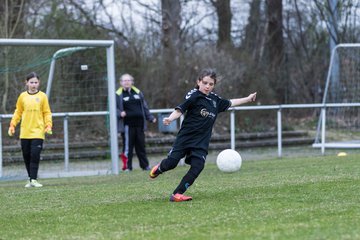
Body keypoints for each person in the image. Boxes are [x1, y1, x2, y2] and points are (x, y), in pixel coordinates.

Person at [149, 68, 257, 202]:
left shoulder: (215, 100)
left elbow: (231, 102)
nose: (207, 86)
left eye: (211, 84)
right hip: (185, 138)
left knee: (198, 166)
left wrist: (247, 99)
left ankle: (177, 194)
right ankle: (158, 168)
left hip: (201, 142)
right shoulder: (194, 95)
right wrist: (170, 119)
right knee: (171, 163)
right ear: (198, 81)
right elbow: (180, 109)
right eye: (205, 82)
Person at [8, 72, 53, 188]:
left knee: (35, 155)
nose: (34, 85)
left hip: (38, 131)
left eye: (36, 82)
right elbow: (18, 112)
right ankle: (30, 178)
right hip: (25, 132)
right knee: (27, 155)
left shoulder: (43, 96)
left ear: (39, 83)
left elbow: (47, 112)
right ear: (26, 83)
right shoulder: (22, 96)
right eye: (31, 82)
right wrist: (12, 124)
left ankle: (34, 179)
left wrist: (48, 125)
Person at [116, 73, 156, 171]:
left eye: (128, 80)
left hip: (140, 125)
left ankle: (145, 166)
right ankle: (127, 167)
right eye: (124, 80)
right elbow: (113, 108)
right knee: (127, 148)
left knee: (141, 146)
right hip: (127, 125)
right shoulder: (118, 94)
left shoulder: (138, 92)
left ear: (132, 82)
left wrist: (150, 117)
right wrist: (119, 113)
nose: (126, 82)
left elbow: (145, 107)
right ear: (121, 83)